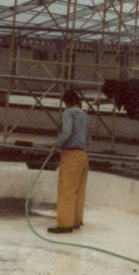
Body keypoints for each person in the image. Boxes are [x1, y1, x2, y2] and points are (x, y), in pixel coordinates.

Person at [48, 88, 90, 234]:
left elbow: (67, 132)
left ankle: (65, 224)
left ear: (66, 102)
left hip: (71, 155)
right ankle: (76, 220)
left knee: (67, 190)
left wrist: (56, 145)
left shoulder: (68, 113)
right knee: (79, 189)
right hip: (83, 156)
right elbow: (88, 138)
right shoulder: (84, 115)